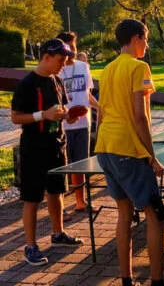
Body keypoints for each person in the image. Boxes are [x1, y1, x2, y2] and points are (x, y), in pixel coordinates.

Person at [95, 19, 164, 286]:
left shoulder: (107, 69)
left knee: (124, 213)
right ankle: (157, 281)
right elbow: (141, 117)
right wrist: (152, 156)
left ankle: (126, 280)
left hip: (106, 147)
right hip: (128, 149)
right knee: (154, 214)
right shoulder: (139, 67)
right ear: (137, 38)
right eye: (146, 40)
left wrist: (102, 145)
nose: (146, 46)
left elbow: (101, 114)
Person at [11, 38, 84, 266]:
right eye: (61, 60)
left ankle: (58, 233)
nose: (64, 64)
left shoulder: (57, 81)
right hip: (34, 148)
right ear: (46, 57)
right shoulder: (26, 84)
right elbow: (15, 117)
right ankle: (30, 246)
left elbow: (59, 110)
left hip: (56, 144)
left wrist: (67, 116)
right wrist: (42, 115)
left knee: (57, 192)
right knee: (32, 198)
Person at [57, 32, 99, 215]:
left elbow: (87, 94)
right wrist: (66, 115)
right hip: (63, 126)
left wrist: (100, 107)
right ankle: (59, 207)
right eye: (67, 47)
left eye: (73, 46)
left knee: (80, 165)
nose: (72, 50)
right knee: (62, 167)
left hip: (83, 124)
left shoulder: (83, 66)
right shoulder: (56, 69)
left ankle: (80, 202)